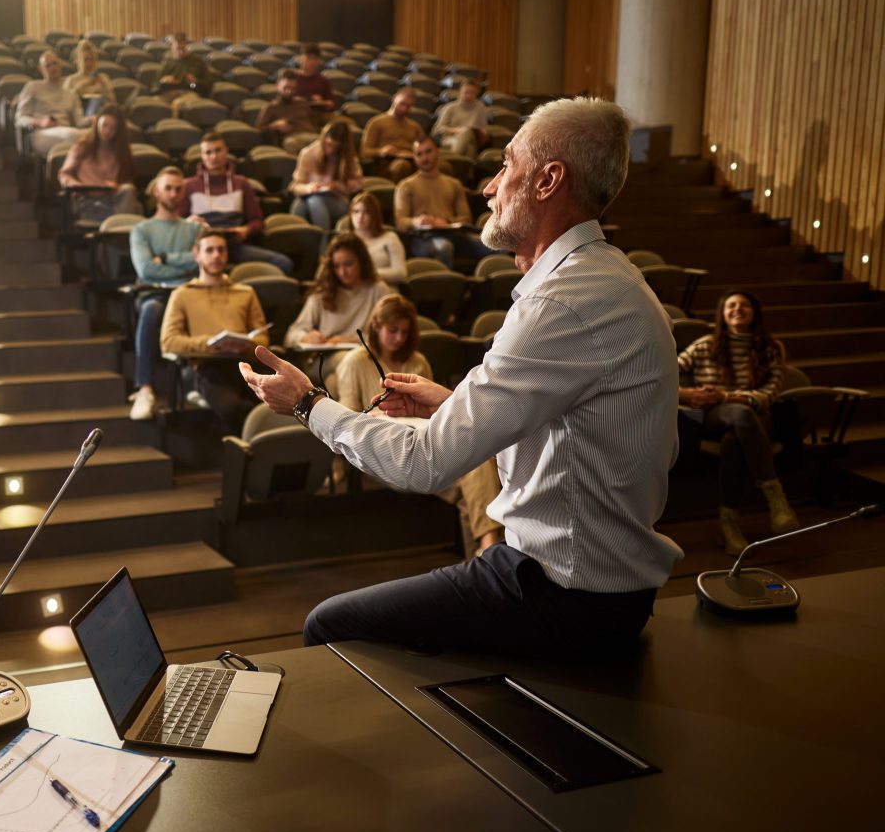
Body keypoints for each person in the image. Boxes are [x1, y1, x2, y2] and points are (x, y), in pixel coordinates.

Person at [240, 96, 682, 658]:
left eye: (505, 166)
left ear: (548, 181)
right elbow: (574, 430)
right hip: (605, 585)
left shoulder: (564, 303)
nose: (489, 187)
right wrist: (453, 403)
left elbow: (422, 465)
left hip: (565, 594)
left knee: (329, 625)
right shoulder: (608, 279)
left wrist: (308, 403)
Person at [335, 294, 504, 555]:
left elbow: (433, 415)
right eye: (393, 330)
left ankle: (483, 555)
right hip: (382, 451)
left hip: (424, 442)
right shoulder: (355, 362)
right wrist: (375, 419)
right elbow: (346, 422)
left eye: (405, 332)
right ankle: (488, 551)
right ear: (376, 325)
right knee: (475, 469)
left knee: (473, 471)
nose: (399, 338)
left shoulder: (417, 361)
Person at [677, 290, 798, 553]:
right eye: (731, 305)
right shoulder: (705, 345)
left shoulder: (771, 348)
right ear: (722, 313)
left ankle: (728, 525)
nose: (737, 309)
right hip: (714, 415)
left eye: (744, 305)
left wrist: (727, 395)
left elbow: (769, 394)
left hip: (757, 417)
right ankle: (776, 498)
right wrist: (687, 393)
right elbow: (663, 373)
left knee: (734, 441)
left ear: (755, 312)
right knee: (738, 415)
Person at [160, 229, 269, 435]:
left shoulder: (245, 292)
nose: (216, 255)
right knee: (232, 409)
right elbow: (169, 341)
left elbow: (263, 337)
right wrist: (211, 344)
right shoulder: (182, 294)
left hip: (246, 364)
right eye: (209, 250)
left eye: (221, 250)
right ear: (197, 254)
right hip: (208, 367)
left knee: (280, 402)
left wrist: (246, 344)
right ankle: (243, 460)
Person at [127, 168, 201, 420]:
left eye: (178, 188)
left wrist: (167, 260)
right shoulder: (142, 230)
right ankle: (145, 389)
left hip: (189, 293)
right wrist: (185, 264)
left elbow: (200, 263)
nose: (173, 193)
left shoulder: (193, 229)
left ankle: (198, 385)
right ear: (156, 191)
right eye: (168, 188)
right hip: (155, 294)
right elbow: (146, 269)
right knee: (151, 310)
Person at [284, 233, 392, 388]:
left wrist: (349, 340)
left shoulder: (378, 289)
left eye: (348, 264)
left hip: (366, 356)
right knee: (349, 360)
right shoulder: (322, 293)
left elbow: (391, 335)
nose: (342, 272)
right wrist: (306, 337)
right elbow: (291, 334)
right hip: (323, 360)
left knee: (334, 384)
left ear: (361, 262)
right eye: (336, 266)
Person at [181, 132, 292, 274]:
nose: (213, 157)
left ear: (226, 151)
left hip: (233, 245)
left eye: (218, 150)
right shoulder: (189, 186)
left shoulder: (241, 183)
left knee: (283, 263)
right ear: (202, 156)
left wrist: (245, 230)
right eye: (208, 152)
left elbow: (257, 221)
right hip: (204, 248)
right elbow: (175, 223)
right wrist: (187, 222)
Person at [394, 136, 492, 270]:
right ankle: (448, 289)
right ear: (414, 158)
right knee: (445, 247)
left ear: (437, 151)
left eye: (428, 151)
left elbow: (466, 218)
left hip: (454, 234)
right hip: (422, 239)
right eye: (419, 154)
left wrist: (445, 221)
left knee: (494, 245)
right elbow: (400, 222)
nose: (424, 157)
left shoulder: (454, 184)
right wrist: (417, 221)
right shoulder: (405, 186)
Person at [58, 104, 141, 224]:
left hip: (112, 199)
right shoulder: (82, 147)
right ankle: (121, 228)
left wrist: (117, 186)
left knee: (129, 192)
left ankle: (120, 228)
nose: (107, 131)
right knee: (131, 211)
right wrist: (78, 185)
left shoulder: (121, 152)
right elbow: (64, 174)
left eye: (112, 128)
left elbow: (127, 181)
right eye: (104, 125)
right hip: (87, 199)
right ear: (97, 124)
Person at [289, 119, 363, 238]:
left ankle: (323, 246)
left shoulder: (349, 158)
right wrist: (309, 188)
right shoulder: (308, 153)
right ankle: (301, 245)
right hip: (310, 195)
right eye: (328, 145)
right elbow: (295, 186)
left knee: (314, 201)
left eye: (336, 148)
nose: (331, 150)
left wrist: (336, 185)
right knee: (299, 206)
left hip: (338, 199)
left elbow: (358, 184)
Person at [14, 50, 85, 158]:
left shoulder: (71, 94)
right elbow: (20, 119)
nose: (52, 68)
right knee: (73, 135)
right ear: (41, 69)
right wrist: (39, 122)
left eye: (55, 63)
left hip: (67, 130)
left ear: (61, 65)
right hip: (41, 133)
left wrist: (97, 120)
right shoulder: (33, 87)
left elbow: (80, 122)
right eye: (47, 65)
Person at [361, 87, 425, 181]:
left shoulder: (415, 126)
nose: (404, 109)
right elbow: (364, 152)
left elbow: (423, 148)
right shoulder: (376, 122)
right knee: (403, 166)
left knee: (442, 166)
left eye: (408, 106)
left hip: (412, 160)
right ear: (394, 98)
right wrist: (381, 151)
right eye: (402, 104)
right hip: (386, 163)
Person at [344, 192, 406, 283]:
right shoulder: (343, 240)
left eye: (366, 212)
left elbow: (401, 273)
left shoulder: (390, 238)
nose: (360, 217)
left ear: (374, 215)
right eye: (356, 211)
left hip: (384, 288)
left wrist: (367, 274)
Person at [255, 70, 321, 154]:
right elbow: (259, 129)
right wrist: (275, 125)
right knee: (292, 144)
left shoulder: (302, 102)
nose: (289, 92)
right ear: (278, 85)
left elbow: (313, 121)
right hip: (292, 138)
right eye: (286, 88)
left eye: (293, 88)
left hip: (311, 135)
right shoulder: (271, 107)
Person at [156, 32, 212, 113]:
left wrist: (195, 82)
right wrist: (164, 81)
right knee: (156, 103)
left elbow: (208, 84)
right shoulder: (167, 63)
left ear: (186, 45)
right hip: (169, 93)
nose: (180, 51)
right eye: (177, 48)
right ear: (172, 47)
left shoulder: (197, 62)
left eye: (182, 47)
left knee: (178, 104)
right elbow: (155, 85)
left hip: (190, 92)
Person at [433, 79, 489, 159]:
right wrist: (458, 130)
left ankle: (455, 161)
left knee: (467, 134)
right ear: (460, 92)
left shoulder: (480, 107)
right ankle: (459, 162)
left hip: (472, 139)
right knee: (469, 149)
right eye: (466, 92)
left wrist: (482, 132)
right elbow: (438, 129)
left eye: (472, 93)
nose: (469, 95)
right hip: (449, 139)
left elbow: (484, 128)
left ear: (477, 94)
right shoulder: (450, 107)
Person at [63, 39, 115, 115]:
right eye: (86, 60)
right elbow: (65, 103)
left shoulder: (103, 78)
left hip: (103, 112)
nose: (89, 63)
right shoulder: (71, 80)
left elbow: (113, 101)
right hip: (80, 113)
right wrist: (81, 86)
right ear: (77, 60)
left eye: (92, 59)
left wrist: (103, 87)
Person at [291, 43, 337, 113]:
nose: (312, 62)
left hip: (319, 115)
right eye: (309, 58)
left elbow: (331, 103)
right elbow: (286, 101)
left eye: (315, 59)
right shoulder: (292, 79)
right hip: (297, 114)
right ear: (301, 59)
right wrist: (309, 99)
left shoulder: (323, 80)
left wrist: (322, 102)